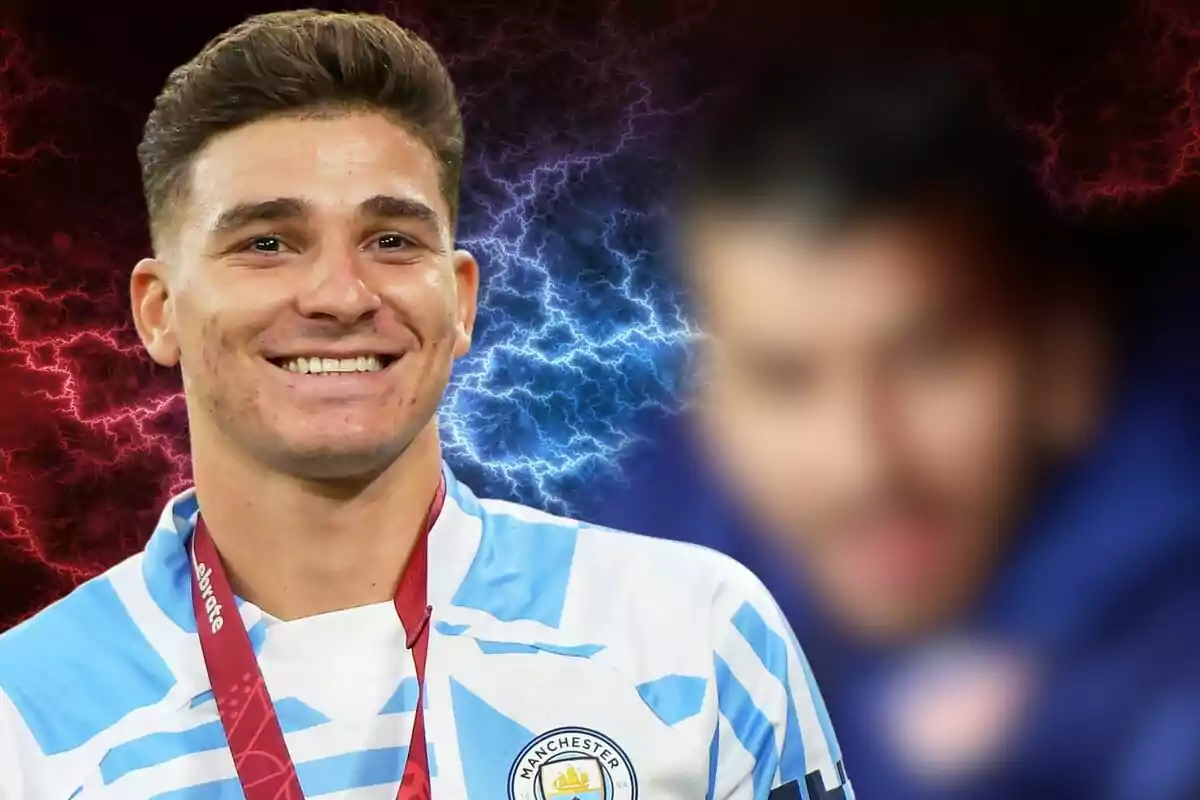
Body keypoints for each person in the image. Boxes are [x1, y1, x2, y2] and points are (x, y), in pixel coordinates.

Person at [0, 12, 851, 800]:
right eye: (266, 243)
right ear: (159, 310)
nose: (340, 294)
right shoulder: (24, 716)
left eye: (392, 241)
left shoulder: (691, 638)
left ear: (462, 300)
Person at [593, 53, 1200, 799]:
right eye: (785, 378)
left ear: (1065, 357)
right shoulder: (626, 574)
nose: (865, 464)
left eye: (931, 359)